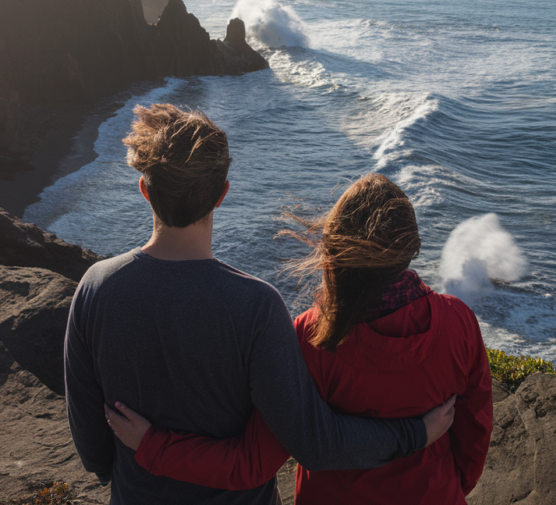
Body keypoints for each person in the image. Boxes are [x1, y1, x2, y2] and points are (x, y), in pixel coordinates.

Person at [65, 105, 454, 505]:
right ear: (222, 194)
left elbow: (91, 442)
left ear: (145, 190)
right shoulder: (255, 305)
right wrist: (417, 433)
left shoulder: (96, 287)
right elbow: (314, 442)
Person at [105, 172, 493, 504]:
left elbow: (252, 463)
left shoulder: (312, 337)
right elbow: (475, 431)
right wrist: (451, 488)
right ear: (413, 248)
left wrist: (154, 447)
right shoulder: (459, 322)